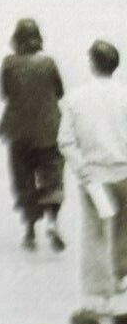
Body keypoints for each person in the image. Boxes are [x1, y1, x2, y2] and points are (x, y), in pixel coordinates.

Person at [58, 41, 127, 303]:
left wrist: (81, 168)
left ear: (92, 64)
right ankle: (120, 275)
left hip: (93, 177)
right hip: (123, 173)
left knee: (95, 231)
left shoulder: (76, 98)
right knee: (123, 227)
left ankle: (99, 290)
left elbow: (65, 140)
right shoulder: (125, 96)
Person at [0, 19, 66, 252]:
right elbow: (59, 92)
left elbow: (5, 94)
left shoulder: (8, 63)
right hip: (49, 130)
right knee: (52, 176)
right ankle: (53, 223)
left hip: (19, 131)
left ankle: (30, 232)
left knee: (23, 179)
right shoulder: (48, 63)